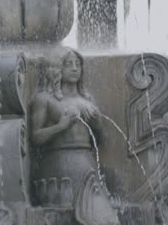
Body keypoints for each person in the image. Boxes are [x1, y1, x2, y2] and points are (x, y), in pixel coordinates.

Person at [31, 50, 119, 224]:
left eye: (78, 64)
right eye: (68, 64)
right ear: (57, 68)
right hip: (59, 162)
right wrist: (61, 126)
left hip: (87, 160)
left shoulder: (87, 100)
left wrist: (97, 120)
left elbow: (99, 139)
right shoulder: (45, 99)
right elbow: (35, 137)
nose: (74, 68)